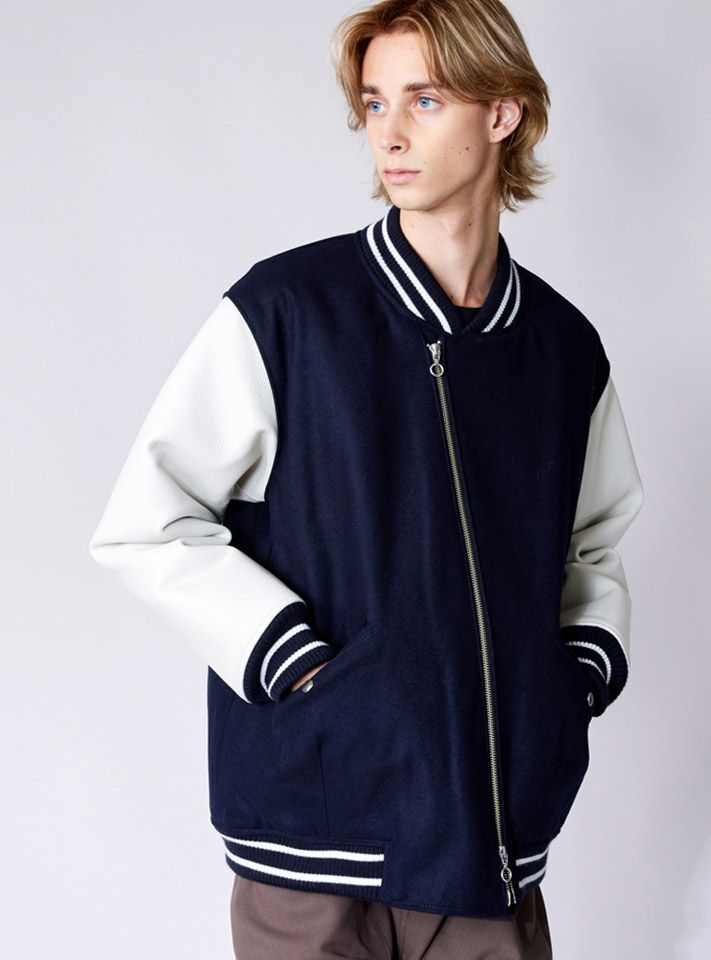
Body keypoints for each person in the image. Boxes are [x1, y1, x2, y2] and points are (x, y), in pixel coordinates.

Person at [89, 0, 645, 956]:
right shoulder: (287, 311)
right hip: (313, 839)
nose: (388, 133)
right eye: (375, 102)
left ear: (502, 113)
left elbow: (592, 543)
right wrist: (295, 661)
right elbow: (147, 522)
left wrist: (575, 677)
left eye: (424, 100)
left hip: (488, 845)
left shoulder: (560, 349)